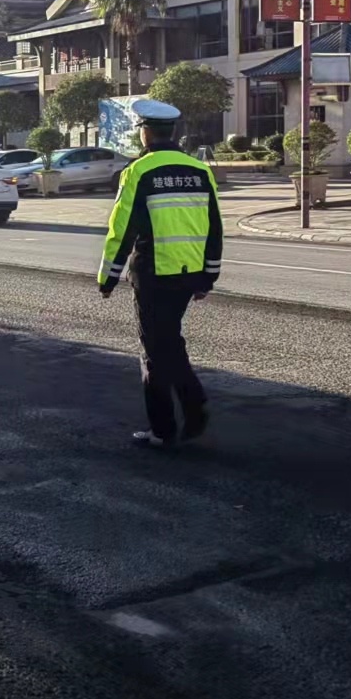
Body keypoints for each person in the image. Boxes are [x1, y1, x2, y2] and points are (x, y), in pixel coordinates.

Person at [96, 99, 224, 449]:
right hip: (189, 273)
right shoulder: (199, 170)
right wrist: (207, 277)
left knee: (154, 350)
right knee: (169, 341)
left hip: (153, 274)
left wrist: (107, 279)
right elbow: (215, 227)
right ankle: (192, 406)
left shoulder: (139, 171)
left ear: (145, 132)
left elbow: (121, 230)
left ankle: (166, 427)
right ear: (174, 132)